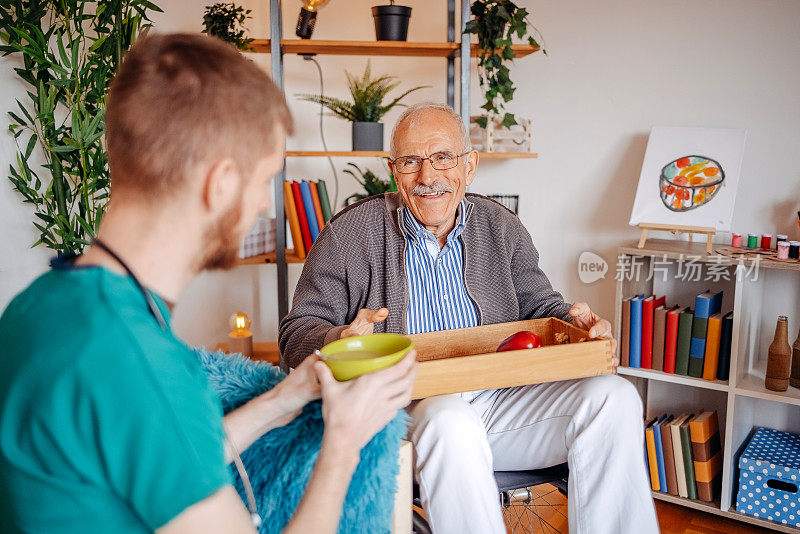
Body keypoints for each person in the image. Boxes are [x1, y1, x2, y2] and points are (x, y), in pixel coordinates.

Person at [0, 33, 416, 534]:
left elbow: (153, 449)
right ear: (218, 185)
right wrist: (345, 440)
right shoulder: (139, 363)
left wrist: (282, 400)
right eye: (263, 181)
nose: (266, 205)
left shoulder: (39, 305)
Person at [279, 102, 660, 533]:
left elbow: (540, 307)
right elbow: (295, 334)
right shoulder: (349, 233)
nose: (428, 176)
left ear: (470, 165)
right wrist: (340, 338)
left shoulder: (501, 227)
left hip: (502, 400)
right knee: (450, 420)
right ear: (393, 170)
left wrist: (578, 325)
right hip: (409, 408)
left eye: (443, 157)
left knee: (615, 396)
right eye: (411, 162)